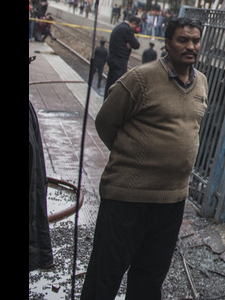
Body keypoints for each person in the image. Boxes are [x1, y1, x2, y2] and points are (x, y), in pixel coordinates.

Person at [81, 16, 207, 300]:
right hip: (128, 197)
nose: (191, 46)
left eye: (195, 40)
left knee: (149, 280)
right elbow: (106, 122)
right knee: (105, 275)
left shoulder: (202, 83)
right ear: (167, 43)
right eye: (183, 40)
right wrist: (133, 158)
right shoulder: (141, 78)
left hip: (171, 200)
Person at [104, 15, 141, 97]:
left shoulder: (120, 26)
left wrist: (128, 44)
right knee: (118, 85)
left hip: (112, 58)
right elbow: (136, 45)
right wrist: (129, 45)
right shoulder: (127, 30)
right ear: (134, 23)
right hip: (119, 61)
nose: (136, 29)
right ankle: (113, 105)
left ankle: (106, 102)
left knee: (110, 83)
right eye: (137, 26)